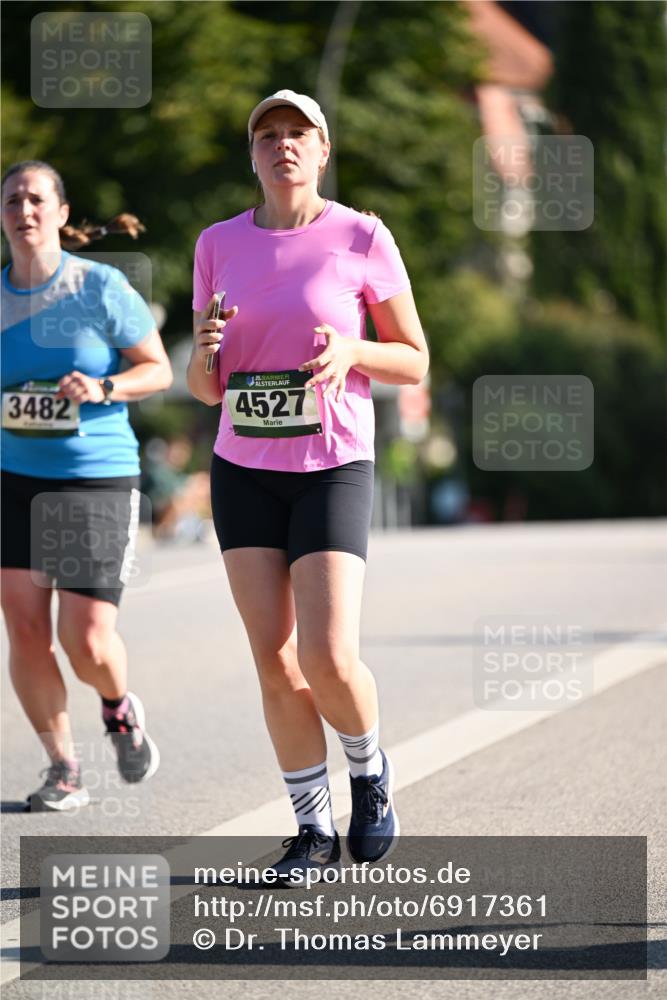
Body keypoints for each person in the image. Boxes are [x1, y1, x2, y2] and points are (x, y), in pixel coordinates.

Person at [189, 90, 429, 881]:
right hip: (243, 467)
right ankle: (309, 832)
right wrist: (205, 353)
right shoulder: (217, 244)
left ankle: (366, 767)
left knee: (327, 657)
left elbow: (415, 359)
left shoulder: (361, 235)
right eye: (268, 136)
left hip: (330, 463)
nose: (282, 146)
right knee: (275, 662)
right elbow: (204, 386)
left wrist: (349, 354)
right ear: (251, 155)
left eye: (297, 134)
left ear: (322, 150)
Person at [1, 161, 173, 810]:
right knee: (23, 629)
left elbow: (155, 371)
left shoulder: (98, 288)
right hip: (12, 476)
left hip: (91, 477)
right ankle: (62, 766)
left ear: (62, 213)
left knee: (86, 637)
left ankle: (117, 707)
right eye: (12, 200)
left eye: (36, 199)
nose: (25, 210)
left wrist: (103, 387)